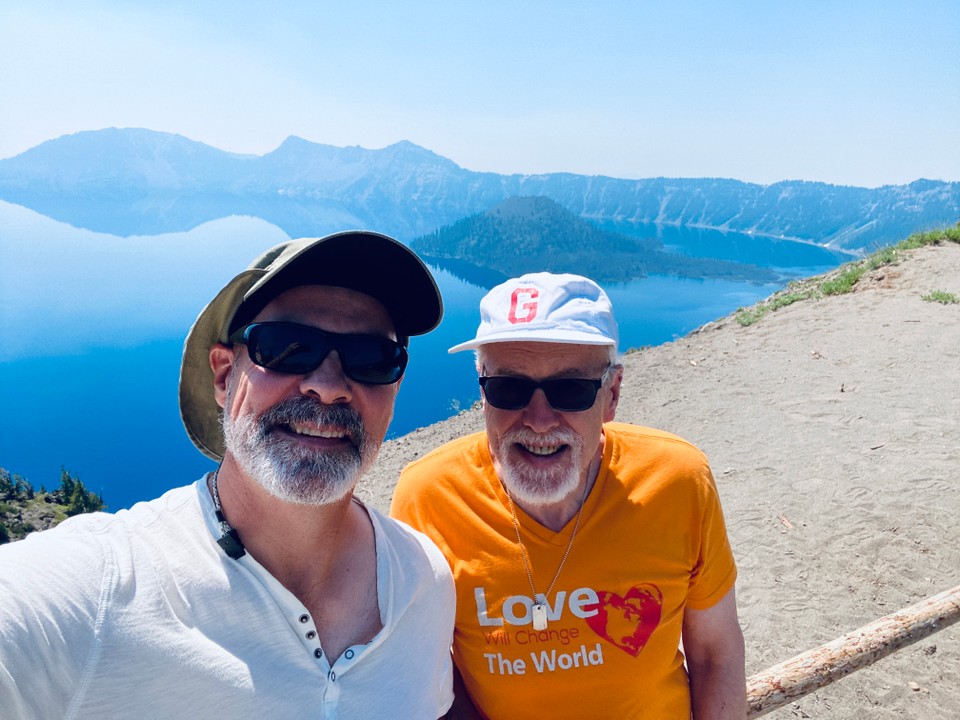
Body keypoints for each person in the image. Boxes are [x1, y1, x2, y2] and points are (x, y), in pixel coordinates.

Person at [0, 231, 456, 719]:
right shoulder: (102, 593)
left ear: (395, 385)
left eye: (370, 358)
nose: (327, 386)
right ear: (223, 376)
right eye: (287, 348)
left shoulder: (423, 580)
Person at [391, 272, 746, 719]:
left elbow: (716, 652)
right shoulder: (428, 497)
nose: (539, 419)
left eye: (571, 390)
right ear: (481, 390)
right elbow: (428, 672)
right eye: (510, 388)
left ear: (611, 394)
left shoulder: (678, 479)